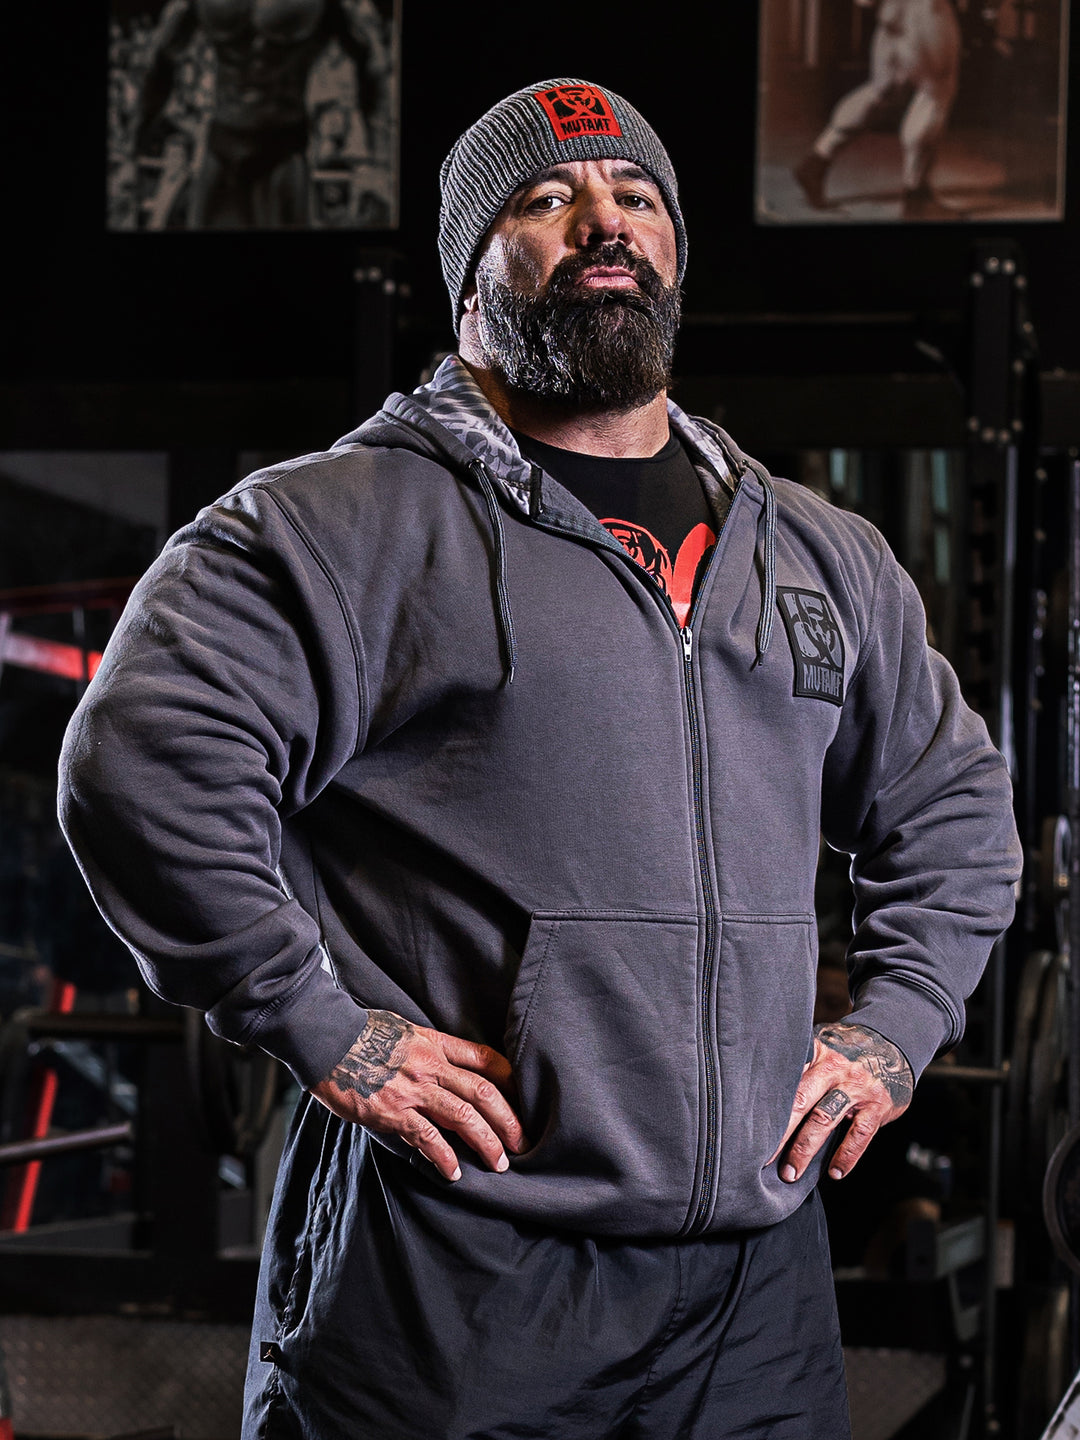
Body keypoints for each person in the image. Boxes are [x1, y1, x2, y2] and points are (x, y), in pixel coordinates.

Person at [59, 77, 1021, 1438]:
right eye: (547, 198)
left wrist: (896, 1027)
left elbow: (955, 808)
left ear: (677, 250)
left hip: (754, 1278)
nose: (602, 223)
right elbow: (142, 762)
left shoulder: (812, 549)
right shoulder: (335, 525)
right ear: (470, 279)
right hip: (456, 1260)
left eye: (634, 198)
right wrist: (322, 1025)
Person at [132, 0, 391, 228]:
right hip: (220, 149)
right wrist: (134, 147)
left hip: (283, 154)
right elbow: (160, 60)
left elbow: (371, 62)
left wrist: (376, 162)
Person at [794, 0, 962, 219]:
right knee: (935, 91)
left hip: (890, 13)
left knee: (882, 90)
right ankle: (916, 197)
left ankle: (815, 162)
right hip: (924, 11)